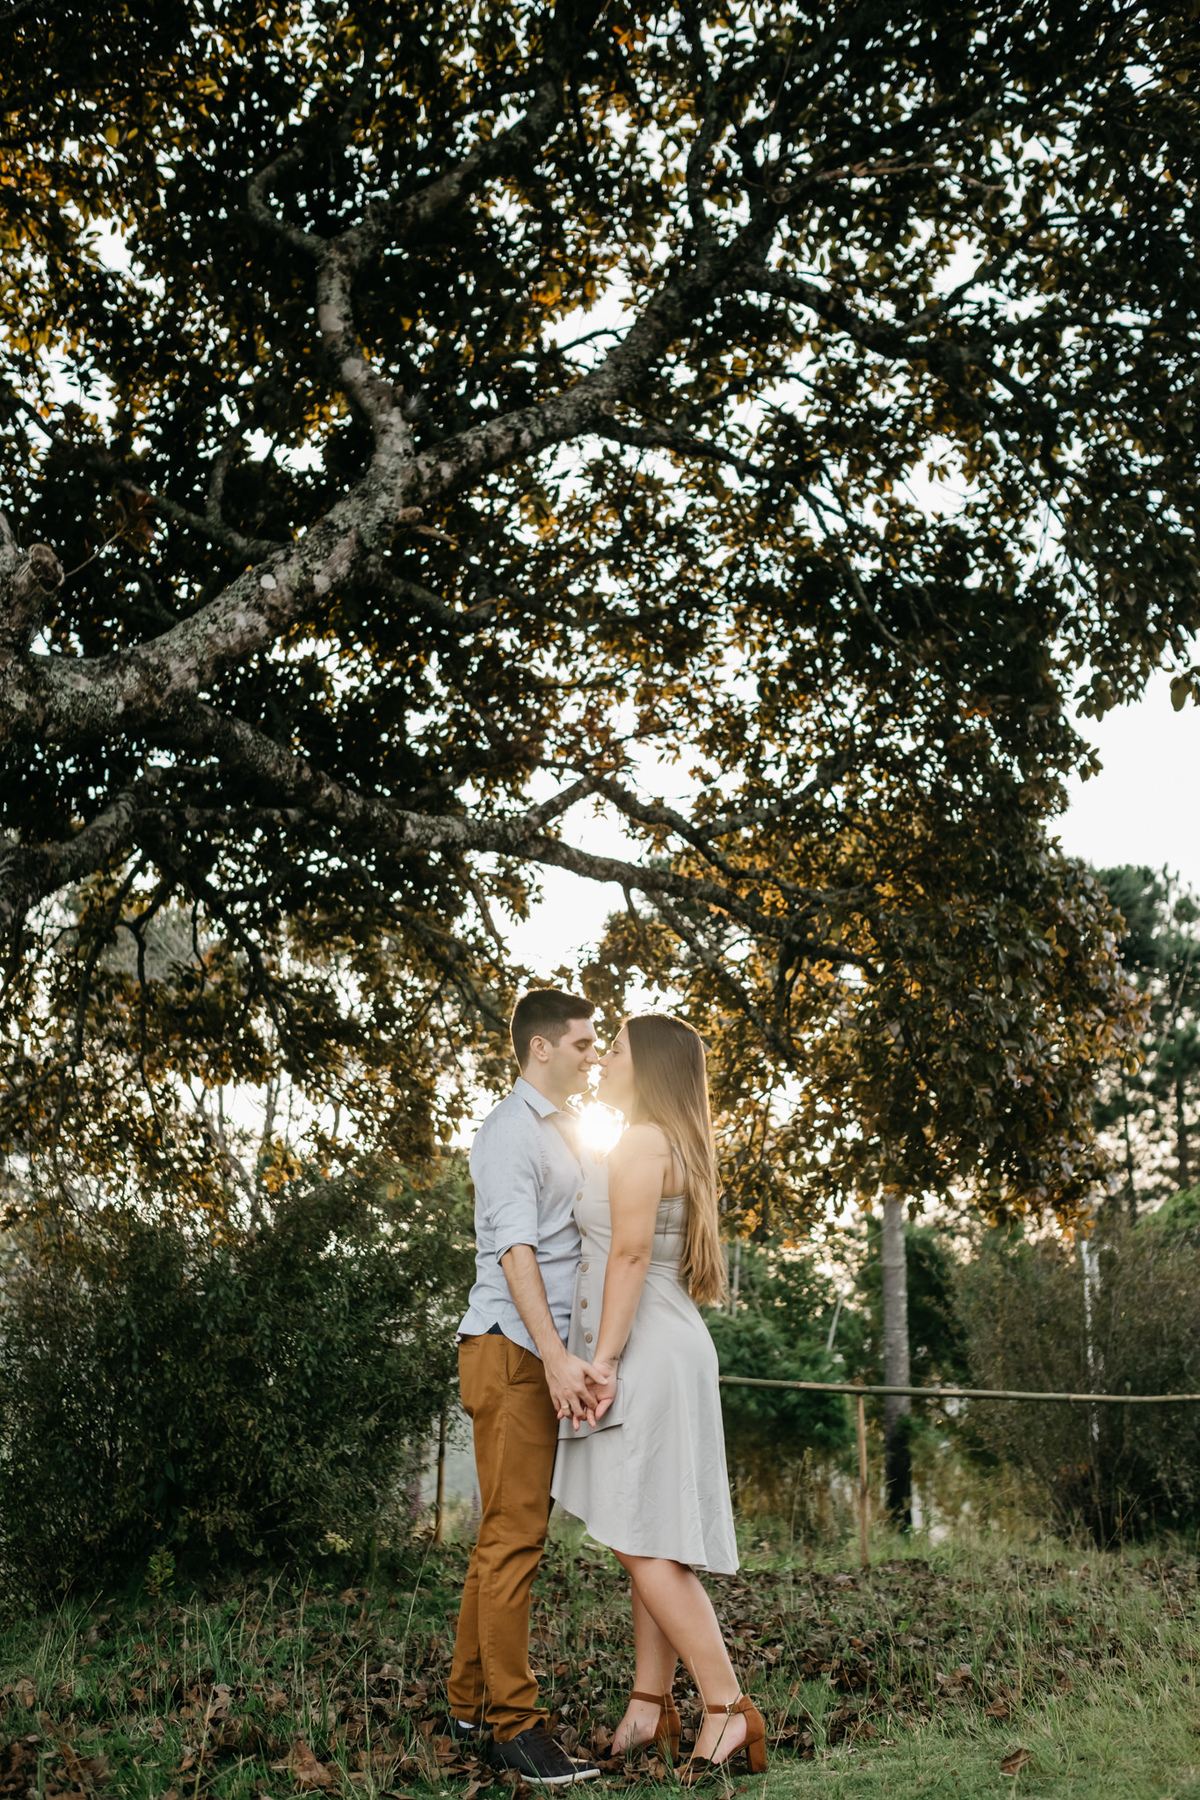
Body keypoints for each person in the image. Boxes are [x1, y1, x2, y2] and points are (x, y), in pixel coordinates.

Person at [550, 1014, 767, 1779]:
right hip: (668, 1344)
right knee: (649, 1532)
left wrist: (600, 1361)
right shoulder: (670, 1142)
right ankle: (650, 1705)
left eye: (616, 1050)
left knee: (641, 1542)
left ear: (649, 1068)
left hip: (643, 1350)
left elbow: (631, 1255)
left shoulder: (644, 1142)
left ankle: (726, 1707)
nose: (604, 1059)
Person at [448, 989, 604, 1786]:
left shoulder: (559, 1132)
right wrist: (552, 1355)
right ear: (541, 1048)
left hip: (522, 1351)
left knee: (503, 1533)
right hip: (511, 1350)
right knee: (515, 1540)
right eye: (582, 1043)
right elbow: (516, 1253)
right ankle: (514, 1724)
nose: (593, 1054)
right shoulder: (510, 1133)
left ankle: (470, 1700)